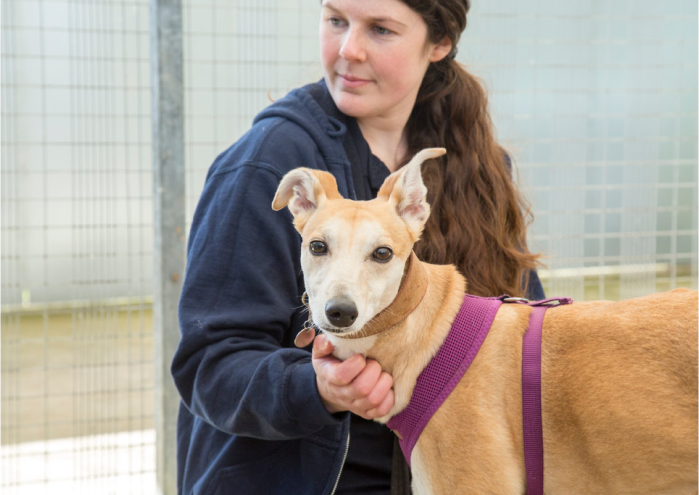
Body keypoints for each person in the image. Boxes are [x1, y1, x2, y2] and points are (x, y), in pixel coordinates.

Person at [172, 0, 544, 493]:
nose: (348, 49)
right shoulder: (268, 164)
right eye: (336, 20)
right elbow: (210, 363)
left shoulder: (475, 165)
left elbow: (522, 322)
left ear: (439, 43)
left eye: (381, 29)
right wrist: (315, 387)